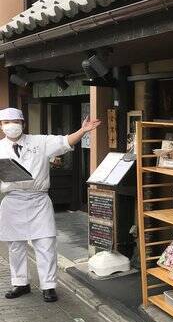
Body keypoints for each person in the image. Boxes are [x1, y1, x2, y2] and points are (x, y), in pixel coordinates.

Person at [0, 107, 101, 302]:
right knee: (15, 245)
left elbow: (64, 142)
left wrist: (83, 130)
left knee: (45, 243)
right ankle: (20, 283)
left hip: (38, 199)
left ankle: (48, 286)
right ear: (1, 126)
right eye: (6, 122)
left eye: (15, 122)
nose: (11, 126)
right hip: (12, 200)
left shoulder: (40, 141)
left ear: (23, 124)